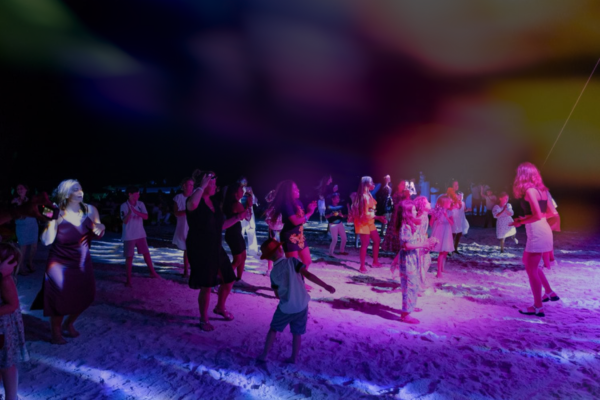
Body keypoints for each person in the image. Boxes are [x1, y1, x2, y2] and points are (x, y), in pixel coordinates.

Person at [36, 179, 105, 344]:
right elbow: (46, 241)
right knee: (59, 299)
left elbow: (98, 233)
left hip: (82, 263)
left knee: (87, 295)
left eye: (80, 188)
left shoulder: (91, 209)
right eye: (75, 189)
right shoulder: (52, 210)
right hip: (58, 264)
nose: (80, 191)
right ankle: (56, 331)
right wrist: (53, 220)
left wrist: (101, 228)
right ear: (65, 194)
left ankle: (68, 323)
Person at [186, 170, 250, 331]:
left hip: (215, 246)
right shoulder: (194, 201)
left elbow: (220, 226)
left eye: (214, 183)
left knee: (229, 279)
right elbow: (192, 205)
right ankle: (203, 319)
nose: (215, 186)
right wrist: (201, 186)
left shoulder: (214, 203)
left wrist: (238, 217)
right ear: (204, 184)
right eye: (212, 183)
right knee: (207, 285)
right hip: (200, 248)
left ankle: (220, 307)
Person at [257, 238, 335, 363]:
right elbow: (308, 275)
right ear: (280, 250)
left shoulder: (273, 273)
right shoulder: (292, 261)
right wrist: (325, 286)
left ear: (268, 258)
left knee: (273, 329)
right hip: (301, 305)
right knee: (296, 333)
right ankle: (294, 357)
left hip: (285, 308)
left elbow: (277, 294)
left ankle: (264, 354)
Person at [510, 162, 559, 317]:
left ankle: (538, 307)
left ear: (523, 175)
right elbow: (551, 214)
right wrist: (527, 218)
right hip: (543, 229)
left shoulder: (530, 191)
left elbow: (537, 215)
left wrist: (520, 221)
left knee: (531, 269)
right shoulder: (542, 191)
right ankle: (549, 292)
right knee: (529, 263)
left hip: (537, 232)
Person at [0, 244, 29, 400]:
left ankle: (11, 397)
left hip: (3, 328)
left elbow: (13, 305)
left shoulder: (5, 280)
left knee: (6, 363)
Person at [397, 201, 434, 324]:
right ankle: (405, 314)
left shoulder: (411, 224)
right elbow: (406, 245)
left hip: (414, 257)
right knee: (409, 285)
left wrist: (426, 245)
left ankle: (410, 306)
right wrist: (423, 244)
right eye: (413, 210)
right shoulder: (405, 227)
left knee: (414, 284)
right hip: (408, 260)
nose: (415, 211)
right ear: (407, 213)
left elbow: (416, 241)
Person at [269, 180, 317, 270]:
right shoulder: (286, 204)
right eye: (295, 189)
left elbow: (302, 220)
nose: (298, 190)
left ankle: (299, 278)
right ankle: (292, 279)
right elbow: (295, 221)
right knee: (293, 266)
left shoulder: (298, 202)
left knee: (307, 261)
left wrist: (310, 210)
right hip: (289, 237)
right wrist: (309, 213)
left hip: (300, 236)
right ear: (289, 192)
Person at [120, 186, 160, 287]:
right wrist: (130, 213)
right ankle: (128, 280)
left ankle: (152, 272)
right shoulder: (124, 205)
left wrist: (135, 211)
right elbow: (125, 221)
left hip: (140, 233)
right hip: (129, 235)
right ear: (130, 194)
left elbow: (146, 216)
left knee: (146, 254)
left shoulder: (140, 204)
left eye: (138, 194)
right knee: (129, 257)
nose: (138, 196)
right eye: (136, 194)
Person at [350, 176, 387, 273]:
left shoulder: (369, 194)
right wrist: (378, 217)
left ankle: (375, 262)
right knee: (365, 243)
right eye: (371, 182)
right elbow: (365, 214)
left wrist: (377, 217)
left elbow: (370, 211)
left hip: (369, 221)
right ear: (366, 184)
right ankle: (362, 266)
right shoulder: (363, 197)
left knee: (377, 240)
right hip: (362, 222)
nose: (373, 184)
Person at [223, 181, 249, 282]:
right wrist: (249, 204)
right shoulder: (237, 205)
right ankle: (223, 278)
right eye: (240, 190)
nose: (243, 192)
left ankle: (238, 279)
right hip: (233, 234)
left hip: (235, 233)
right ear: (235, 193)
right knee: (238, 259)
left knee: (243, 257)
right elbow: (247, 217)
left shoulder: (229, 203)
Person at [10, 184, 39, 275]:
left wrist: (50, 215)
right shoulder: (14, 201)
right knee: (23, 247)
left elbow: (38, 211)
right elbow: (15, 215)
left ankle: (30, 263)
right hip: (22, 226)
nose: (19, 190)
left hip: (33, 225)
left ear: (26, 189)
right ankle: (20, 267)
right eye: (18, 189)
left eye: (21, 188)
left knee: (34, 246)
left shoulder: (31, 200)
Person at [172, 177, 194, 277]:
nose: (191, 187)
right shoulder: (178, 197)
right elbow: (176, 213)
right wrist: (187, 211)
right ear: (184, 186)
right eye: (189, 185)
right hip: (183, 225)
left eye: (192, 185)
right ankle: (186, 271)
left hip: (194, 225)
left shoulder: (195, 196)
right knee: (187, 249)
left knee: (193, 249)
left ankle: (192, 270)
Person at [430, 195, 454, 278]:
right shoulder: (437, 212)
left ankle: (442, 268)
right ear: (444, 203)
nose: (450, 203)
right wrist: (435, 220)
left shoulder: (449, 212)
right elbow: (431, 223)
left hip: (447, 232)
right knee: (441, 251)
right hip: (440, 232)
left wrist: (446, 216)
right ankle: (438, 272)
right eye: (449, 202)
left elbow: (452, 223)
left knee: (446, 251)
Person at [382, 188, 410, 254]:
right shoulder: (396, 194)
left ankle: (399, 247)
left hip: (403, 214)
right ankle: (392, 247)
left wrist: (407, 196)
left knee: (401, 230)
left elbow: (408, 203)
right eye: (402, 184)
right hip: (396, 214)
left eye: (404, 184)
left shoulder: (405, 193)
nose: (404, 186)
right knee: (395, 230)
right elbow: (395, 205)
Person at [414, 196, 433, 290]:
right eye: (427, 202)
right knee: (421, 262)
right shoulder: (421, 217)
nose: (429, 203)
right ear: (422, 205)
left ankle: (421, 281)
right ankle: (419, 284)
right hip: (419, 241)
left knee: (427, 261)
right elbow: (417, 231)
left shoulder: (425, 215)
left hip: (423, 239)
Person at [264, 190, 283, 275]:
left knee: (279, 249)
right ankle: (269, 269)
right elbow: (267, 218)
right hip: (274, 230)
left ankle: (277, 268)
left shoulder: (280, 206)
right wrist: (269, 221)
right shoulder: (272, 207)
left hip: (280, 229)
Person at [239, 178, 258, 256]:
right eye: (243, 181)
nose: (244, 183)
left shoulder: (249, 191)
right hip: (240, 213)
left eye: (245, 181)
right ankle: (240, 250)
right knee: (241, 231)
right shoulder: (237, 190)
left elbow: (255, 202)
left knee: (251, 230)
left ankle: (253, 251)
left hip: (250, 214)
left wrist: (252, 193)